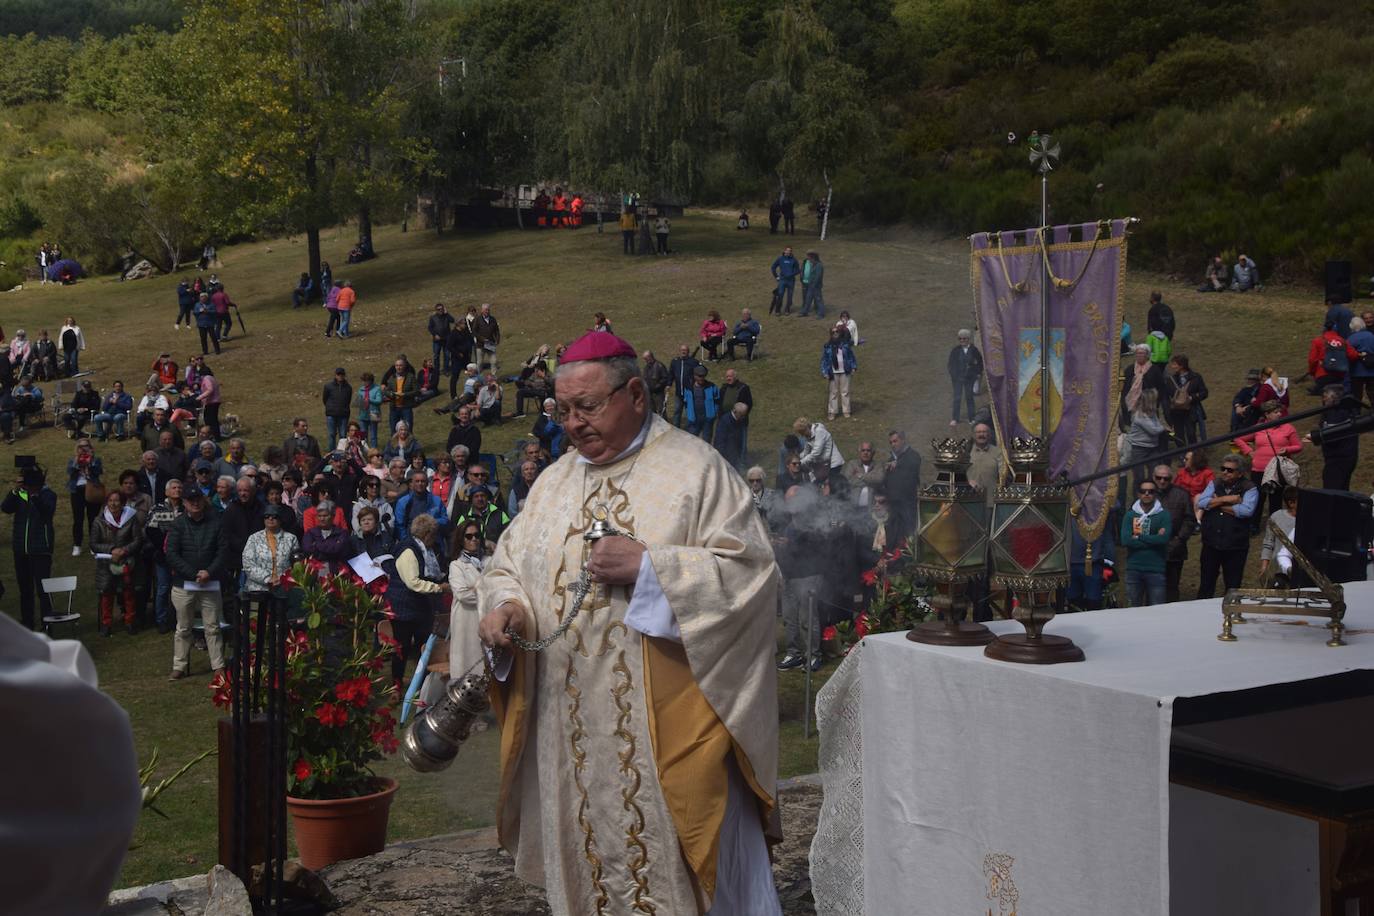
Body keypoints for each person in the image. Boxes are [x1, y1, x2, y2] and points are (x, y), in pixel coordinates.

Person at [477, 330, 781, 916]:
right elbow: (509, 564)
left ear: (636, 394)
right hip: (570, 732)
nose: (572, 423)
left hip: (668, 728)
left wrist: (651, 569)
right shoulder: (553, 483)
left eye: (587, 407)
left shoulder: (696, 472)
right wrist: (508, 606)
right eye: (562, 410)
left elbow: (752, 577)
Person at [165, 487, 227, 680]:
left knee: (213, 626)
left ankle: (218, 665)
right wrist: (193, 573)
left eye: (198, 499)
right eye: (190, 500)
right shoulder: (177, 524)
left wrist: (209, 572)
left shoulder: (216, 523)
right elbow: (172, 554)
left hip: (210, 582)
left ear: (203, 500)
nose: (195, 503)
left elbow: (223, 551)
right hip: (184, 584)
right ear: (184, 503)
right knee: (183, 627)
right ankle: (179, 666)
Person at [387, 512, 448, 688]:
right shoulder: (408, 550)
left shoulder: (424, 550)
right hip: (403, 608)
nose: (434, 539)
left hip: (420, 608)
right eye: (433, 535)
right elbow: (413, 582)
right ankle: (396, 686)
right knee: (401, 649)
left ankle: (424, 685)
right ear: (427, 534)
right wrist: (439, 588)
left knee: (425, 647)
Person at [1195, 455, 1259, 599]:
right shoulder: (1215, 483)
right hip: (1211, 544)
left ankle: (1231, 617)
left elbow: (1246, 511)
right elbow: (1202, 503)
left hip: (1235, 546)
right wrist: (1226, 499)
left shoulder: (1250, 488)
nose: (1225, 472)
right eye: (1223, 468)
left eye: (1230, 470)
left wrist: (1216, 504)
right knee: (1206, 584)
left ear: (1240, 473)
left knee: (1233, 586)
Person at [3, 464, 58, 629]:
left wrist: (34, 496)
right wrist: (15, 491)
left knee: (43, 590)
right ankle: (27, 624)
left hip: (40, 549)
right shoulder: (19, 495)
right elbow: (5, 508)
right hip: (21, 549)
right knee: (25, 590)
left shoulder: (48, 494)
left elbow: (47, 512)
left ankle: (47, 624)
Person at [1234, 399, 1302, 528]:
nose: (1279, 414)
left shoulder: (1288, 428)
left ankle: (1275, 528)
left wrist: (1287, 449)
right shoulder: (1259, 428)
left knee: (1275, 501)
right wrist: (1249, 451)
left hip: (1277, 471)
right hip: (1259, 470)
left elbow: (1298, 446)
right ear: (1267, 414)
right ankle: (1253, 526)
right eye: (1275, 412)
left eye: (1279, 412)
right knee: (1257, 499)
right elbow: (1238, 438)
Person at [90, 489, 144, 636]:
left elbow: (137, 540)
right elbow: (94, 543)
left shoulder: (131, 518)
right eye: (111, 501)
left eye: (117, 501)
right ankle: (106, 623)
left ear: (123, 503)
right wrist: (112, 549)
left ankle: (130, 621)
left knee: (128, 593)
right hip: (106, 563)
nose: (113, 504)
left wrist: (124, 551)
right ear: (107, 503)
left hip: (127, 561)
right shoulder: (99, 520)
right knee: (107, 593)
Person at [445, 518, 488, 678]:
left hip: (487, 619)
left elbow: (499, 587)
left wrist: (476, 588)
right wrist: (487, 590)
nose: (474, 539)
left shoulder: (488, 561)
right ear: (461, 540)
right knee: (466, 666)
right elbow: (463, 595)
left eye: (476, 535)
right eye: (468, 536)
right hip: (466, 621)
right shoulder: (456, 565)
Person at [1120, 478, 1171, 607]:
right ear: (1138, 494)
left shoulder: (1164, 515)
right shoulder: (1130, 515)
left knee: (1157, 610)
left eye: (1151, 491)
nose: (1147, 494)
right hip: (1133, 569)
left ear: (1155, 494)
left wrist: (1138, 536)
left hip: (1156, 569)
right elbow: (1125, 540)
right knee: (1133, 610)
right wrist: (1154, 538)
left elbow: (1163, 539)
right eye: (1143, 491)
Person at [1152, 464, 1196, 604]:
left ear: (1171, 479)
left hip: (1175, 549)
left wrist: (1179, 539)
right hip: (1151, 549)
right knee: (1151, 587)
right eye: (1159, 478)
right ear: (1154, 478)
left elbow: (1190, 519)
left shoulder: (1182, 494)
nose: (1162, 481)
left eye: (1166, 478)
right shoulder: (1146, 494)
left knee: (1172, 587)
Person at [1307, 384, 1359, 490]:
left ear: (1334, 397)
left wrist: (1315, 437)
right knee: (1342, 491)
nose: (1323, 399)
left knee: (1332, 492)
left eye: (1325, 396)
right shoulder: (1346, 410)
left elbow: (1332, 436)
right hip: (1346, 456)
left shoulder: (1337, 413)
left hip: (1338, 458)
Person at [241, 504, 299, 596]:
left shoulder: (291, 538)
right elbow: (248, 564)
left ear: (280, 519)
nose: (270, 519)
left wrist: (281, 580)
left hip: (284, 589)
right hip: (257, 590)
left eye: (274, 516)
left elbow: (296, 565)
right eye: (267, 516)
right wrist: (268, 578)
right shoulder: (254, 538)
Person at [65, 438, 105, 557]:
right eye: (80, 446)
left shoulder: (96, 459)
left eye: (86, 446)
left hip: (92, 489)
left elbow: (98, 471)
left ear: (90, 447)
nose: (83, 449)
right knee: (78, 519)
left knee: (93, 519)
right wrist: (77, 460)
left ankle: (93, 545)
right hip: (77, 490)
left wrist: (90, 460)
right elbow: (70, 471)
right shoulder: (73, 459)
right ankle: (77, 545)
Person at [1258, 487, 1299, 587]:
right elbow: (1268, 543)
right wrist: (1264, 567)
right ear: (1291, 503)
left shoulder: (1308, 519)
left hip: (1300, 571)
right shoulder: (1276, 517)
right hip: (1279, 571)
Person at [885, 429, 922, 540]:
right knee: (894, 534)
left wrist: (898, 464)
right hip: (893, 504)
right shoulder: (891, 458)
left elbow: (913, 464)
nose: (893, 444)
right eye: (891, 442)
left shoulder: (913, 455)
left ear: (903, 440)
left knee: (909, 534)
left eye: (895, 441)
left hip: (907, 503)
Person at [1165, 355, 1208, 444]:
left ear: (1181, 366)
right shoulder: (1170, 379)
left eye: (1174, 364)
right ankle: (1182, 453)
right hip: (1176, 412)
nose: (1172, 366)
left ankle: (1193, 453)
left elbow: (1204, 393)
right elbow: (1166, 395)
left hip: (1191, 410)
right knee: (1179, 434)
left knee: (1191, 433)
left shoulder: (1196, 377)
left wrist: (1191, 398)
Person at [395, 469, 448, 539]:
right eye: (417, 481)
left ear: (427, 483)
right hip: (411, 541)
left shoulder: (436, 500)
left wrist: (430, 522)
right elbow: (399, 525)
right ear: (412, 483)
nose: (420, 484)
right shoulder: (403, 502)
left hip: (433, 540)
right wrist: (406, 542)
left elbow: (445, 520)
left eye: (423, 481)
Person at [301, 499, 352, 570]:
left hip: (336, 571)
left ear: (333, 516)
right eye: (319, 516)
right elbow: (307, 550)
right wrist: (333, 546)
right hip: (315, 572)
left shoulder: (342, 533)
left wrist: (316, 545)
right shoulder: (310, 533)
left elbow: (341, 550)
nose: (322, 519)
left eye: (325, 516)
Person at [946, 329, 983, 427]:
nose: (962, 340)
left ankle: (972, 418)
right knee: (957, 398)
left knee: (969, 397)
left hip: (969, 378)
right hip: (958, 379)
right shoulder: (956, 350)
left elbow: (980, 362)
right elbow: (951, 364)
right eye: (960, 339)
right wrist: (954, 375)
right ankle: (955, 418)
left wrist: (977, 373)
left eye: (964, 338)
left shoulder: (974, 350)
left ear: (968, 339)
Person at [821, 324, 857, 420]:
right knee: (833, 393)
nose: (835, 333)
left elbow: (851, 356)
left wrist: (853, 367)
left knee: (845, 392)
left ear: (839, 333)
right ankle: (832, 412)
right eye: (833, 332)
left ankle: (846, 411)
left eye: (837, 331)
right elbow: (824, 360)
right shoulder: (827, 346)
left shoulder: (845, 345)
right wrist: (824, 372)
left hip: (845, 371)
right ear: (831, 334)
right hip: (833, 372)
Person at [682, 364, 720, 441]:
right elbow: (686, 402)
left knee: (706, 440)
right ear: (694, 376)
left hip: (707, 419)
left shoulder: (712, 386)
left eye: (703, 376)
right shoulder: (689, 388)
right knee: (691, 440)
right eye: (699, 376)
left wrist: (713, 413)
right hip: (693, 419)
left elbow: (717, 400)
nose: (702, 378)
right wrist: (689, 414)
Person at [845, 441, 887, 508]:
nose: (865, 453)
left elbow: (879, 480)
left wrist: (860, 476)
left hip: (873, 507)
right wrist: (871, 480)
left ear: (873, 453)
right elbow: (848, 481)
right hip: (854, 507)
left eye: (868, 450)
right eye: (863, 450)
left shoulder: (878, 465)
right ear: (859, 452)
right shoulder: (852, 464)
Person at [669, 343, 702, 428]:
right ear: (679, 351)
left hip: (690, 392)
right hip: (679, 392)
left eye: (685, 350)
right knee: (677, 411)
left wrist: (697, 382)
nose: (683, 352)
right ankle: (676, 428)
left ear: (688, 352)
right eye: (682, 350)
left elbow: (701, 373)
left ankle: (689, 428)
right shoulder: (675, 362)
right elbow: (671, 374)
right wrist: (668, 384)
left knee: (689, 412)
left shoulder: (694, 362)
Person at [382, 356, 418, 432]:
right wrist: (391, 394)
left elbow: (417, 391)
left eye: (400, 365)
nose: (398, 367)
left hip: (406, 407)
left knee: (408, 430)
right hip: (394, 408)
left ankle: (408, 444)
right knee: (393, 431)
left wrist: (404, 394)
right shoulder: (392, 377)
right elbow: (386, 391)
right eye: (397, 366)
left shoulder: (410, 377)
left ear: (404, 366)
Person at [1347, 317, 1374, 407]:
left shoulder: (1351, 339)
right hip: (1371, 370)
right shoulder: (1371, 335)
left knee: (1357, 394)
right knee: (1372, 392)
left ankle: (1356, 413)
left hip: (1356, 371)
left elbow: (1349, 354)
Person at [770, 245, 800, 314]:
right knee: (780, 294)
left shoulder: (794, 260)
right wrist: (776, 276)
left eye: (790, 251)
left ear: (791, 252)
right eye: (787, 250)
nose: (788, 252)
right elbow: (773, 267)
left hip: (791, 281)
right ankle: (778, 310)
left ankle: (787, 309)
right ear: (784, 251)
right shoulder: (780, 259)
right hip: (782, 280)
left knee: (790, 296)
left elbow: (798, 270)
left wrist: (792, 274)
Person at [473, 302, 501, 374]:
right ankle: (478, 378)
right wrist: (482, 339)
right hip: (480, 344)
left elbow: (496, 330)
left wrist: (497, 339)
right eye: (485, 310)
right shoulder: (478, 319)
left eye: (488, 310)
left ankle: (494, 378)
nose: (487, 311)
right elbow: (474, 331)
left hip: (490, 343)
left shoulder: (492, 319)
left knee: (494, 361)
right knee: (479, 362)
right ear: (482, 310)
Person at [197, 365, 222, 440]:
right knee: (214, 420)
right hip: (216, 401)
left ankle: (212, 436)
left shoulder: (206, 378)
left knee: (209, 420)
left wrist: (200, 397)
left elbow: (210, 389)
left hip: (211, 402)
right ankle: (216, 436)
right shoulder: (212, 378)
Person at [799, 251, 825, 318]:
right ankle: (805, 312)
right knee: (808, 299)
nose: (808, 258)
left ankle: (821, 314)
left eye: (809, 257)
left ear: (813, 257)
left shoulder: (819, 265)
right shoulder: (813, 264)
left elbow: (818, 276)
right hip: (811, 286)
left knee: (818, 300)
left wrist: (814, 284)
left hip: (816, 286)